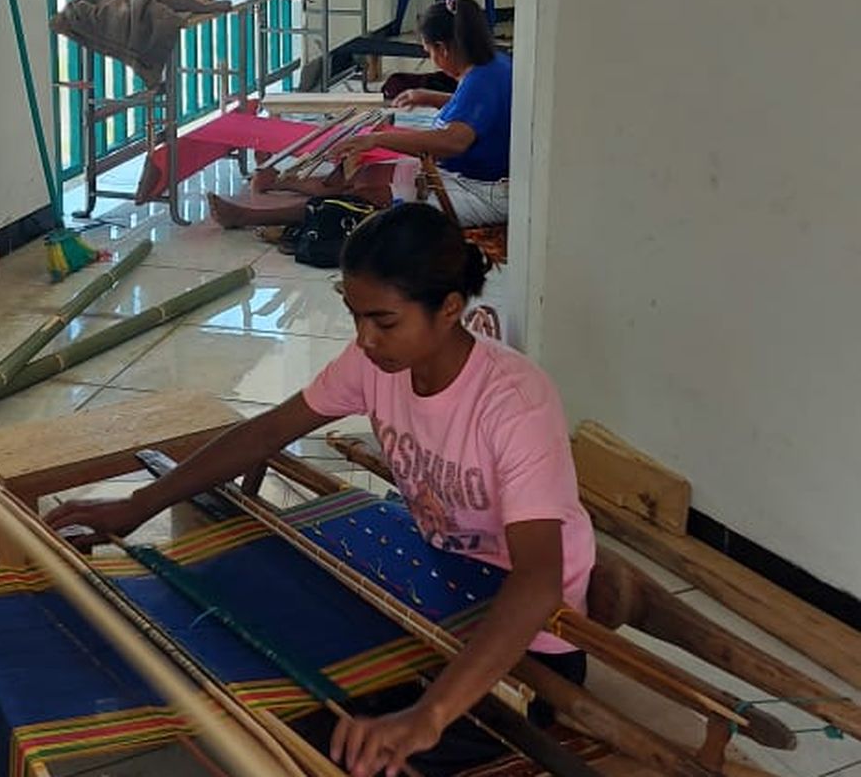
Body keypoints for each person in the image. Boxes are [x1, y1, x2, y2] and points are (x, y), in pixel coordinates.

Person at [46, 203, 595, 777]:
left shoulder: (513, 403)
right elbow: (267, 432)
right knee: (280, 686)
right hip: (438, 583)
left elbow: (538, 582)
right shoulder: (375, 364)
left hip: (530, 637)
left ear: (450, 309)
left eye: (384, 322)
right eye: (355, 316)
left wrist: (429, 716)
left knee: (340, 741)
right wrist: (138, 505)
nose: (365, 339)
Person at [328, 0, 512, 227]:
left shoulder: (481, 80)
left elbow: (453, 142)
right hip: (477, 180)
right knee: (365, 177)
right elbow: (479, 110)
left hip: (485, 192)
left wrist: (377, 139)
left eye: (429, 52)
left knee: (369, 200)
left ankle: (289, 211)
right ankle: (279, 187)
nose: (432, 60)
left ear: (442, 48)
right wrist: (428, 97)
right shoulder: (494, 63)